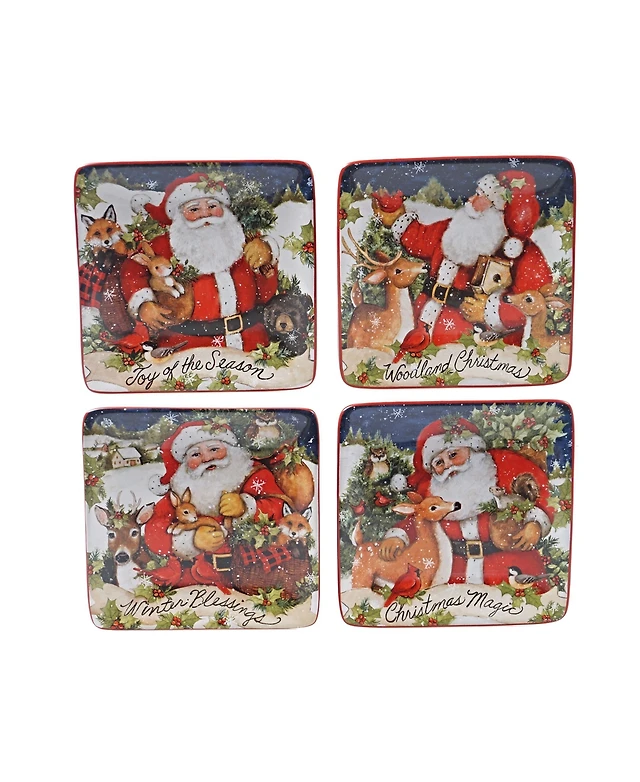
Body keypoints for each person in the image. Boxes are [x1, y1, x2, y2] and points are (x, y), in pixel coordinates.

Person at [373, 170, 552, 347]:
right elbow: (419, 239)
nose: (470, 199)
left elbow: (537, 302)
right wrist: (394, 213)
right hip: (426, 327)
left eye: (480, 196)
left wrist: (489, 312)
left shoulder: (523, 254)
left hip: (477, 348)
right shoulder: (456, 230)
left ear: (498, 207)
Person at [379, 417, 553, 588]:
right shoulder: (431, 492)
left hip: (506, 568)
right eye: (439, 462)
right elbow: (418, 520)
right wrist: (398, 537)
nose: (448, 465)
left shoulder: (499, 469)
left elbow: (542, 493)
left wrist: (535, 524)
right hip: (453, 573)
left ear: (471, 449)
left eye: (453, 455)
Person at [121, 174, 280, 351]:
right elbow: (132, 270)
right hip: (188, 350)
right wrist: (143, 305)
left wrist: (268, 255)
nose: (205, 214)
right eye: (194, 209)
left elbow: (266, 295)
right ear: (180, 214)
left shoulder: (241, 240)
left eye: (212, 206)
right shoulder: (166, 245)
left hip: (251, 345)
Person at [145, 421, 286, 588]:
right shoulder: (181, 490)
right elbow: (154, 531)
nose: (207, 458)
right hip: (198, 580)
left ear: (229, 448)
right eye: (195, 454)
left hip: (252, 573)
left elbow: (281, 509)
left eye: (214, 449)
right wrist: (191, 540)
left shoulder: (252, 474)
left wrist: (246, 508)